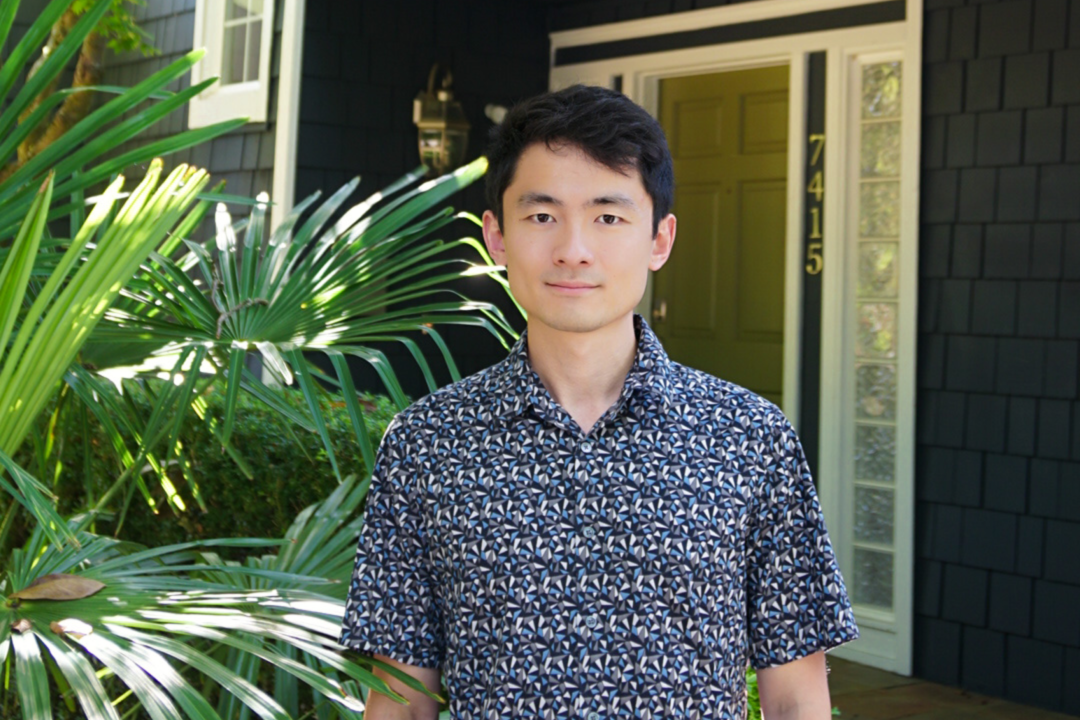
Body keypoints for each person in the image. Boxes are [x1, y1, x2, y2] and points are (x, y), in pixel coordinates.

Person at [339, 84, 859, 719]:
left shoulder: (750, 438)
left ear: (660, 240)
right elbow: (401, 706)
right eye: (542, 215)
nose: (573, 249)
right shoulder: (426, 445)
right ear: (497, 238)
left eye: (608, 216)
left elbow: (796, 702)